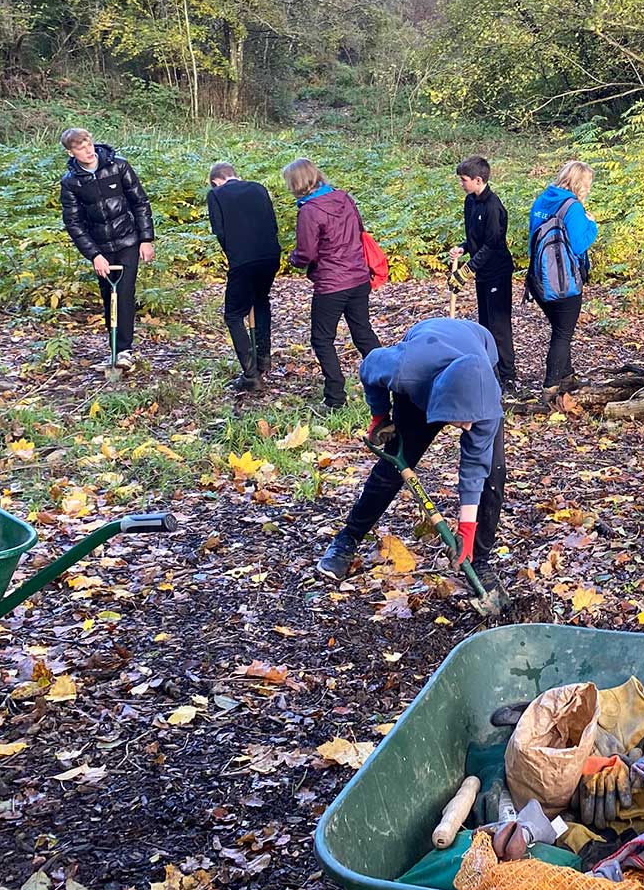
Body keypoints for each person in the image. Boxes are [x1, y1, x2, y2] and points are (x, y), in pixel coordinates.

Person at [316, 317, 506, 586]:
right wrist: (379, 416)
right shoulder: (405, 370)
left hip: (479, 350)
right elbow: (369, 367)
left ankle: (478, 558)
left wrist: (466, 528)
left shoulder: (486, 402)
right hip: (426, 358)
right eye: (463, 418)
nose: (469, 426)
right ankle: (347, 538)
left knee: (493, 473)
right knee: (394, 467)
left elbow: (475, 464)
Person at [284, 158, 380, 411]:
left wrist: (293, 259)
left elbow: (306, 253)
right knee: (362, 332)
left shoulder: (309, 210)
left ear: (296, 183)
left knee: (322, 339)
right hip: (358, 277)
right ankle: (389, 382)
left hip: (332, 283)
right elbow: (360, 230)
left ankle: (335, 397)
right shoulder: (344, 198)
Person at [58, 128, 155, 372]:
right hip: (101, 247)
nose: (88, 150)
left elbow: (140, 202)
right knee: (108, 296)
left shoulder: (119, 166)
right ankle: (114, 349)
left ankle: (124, 350)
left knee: (124, 292)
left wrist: (146, 239)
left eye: (88, 144)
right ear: (71, 152)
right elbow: (74, 223)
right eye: (80, 147)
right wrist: (94, 255)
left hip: (128, 241)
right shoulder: (71, 182)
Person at [207, 161, 281, 393]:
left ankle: (251, 375)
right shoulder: (258, 188)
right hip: (270, 255)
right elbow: (273, 223)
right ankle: (263, 358)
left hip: (243, 260)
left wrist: (233, 254)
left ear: (215, 180)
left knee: (233, 314)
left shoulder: (216, 195)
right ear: (235, 175)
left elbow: (220, 231)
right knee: (261, 301)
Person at [526, 160, 598, 395]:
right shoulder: (572, 207)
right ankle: (551, 386)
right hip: (563, 282)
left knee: (559, 327)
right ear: (580, 183)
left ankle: (567, 377)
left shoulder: (542, 199)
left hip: (538, 279)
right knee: (562, 333)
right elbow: (578, 245)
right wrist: (592, 225)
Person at [450, 156, 517, 390]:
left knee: (499, 325)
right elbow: (475, 239)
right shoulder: (471, 202)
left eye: (464, 180)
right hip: (482, 271)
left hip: (497, 271)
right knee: (485, 324)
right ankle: (491, 371)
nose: (462, 184)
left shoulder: (494, 207)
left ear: (478, 180)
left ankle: (509, 377)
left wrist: (467, 270)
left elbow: (492, 244)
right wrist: (463, 247)